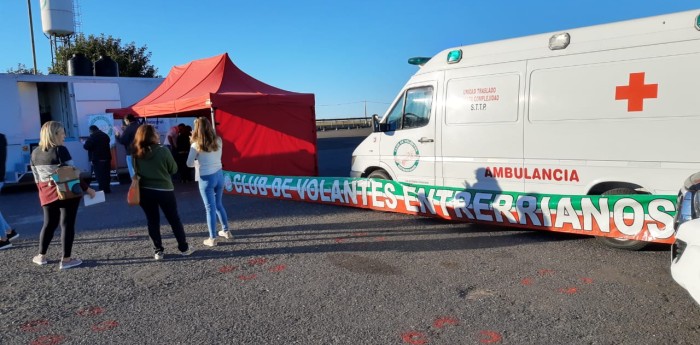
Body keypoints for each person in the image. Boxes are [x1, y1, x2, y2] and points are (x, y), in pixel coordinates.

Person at [30, 121, 96, 269]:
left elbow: (36, 178)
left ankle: (41, 256)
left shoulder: (35, 152)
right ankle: (66, 260)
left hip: (46, 193)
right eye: (62, 133)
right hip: (66, 192)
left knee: (48, 224)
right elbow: (73, 173)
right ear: (54, 135)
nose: (64, 135)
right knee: (67, 224)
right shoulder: (61, 150)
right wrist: (88, 189)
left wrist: (44, 192)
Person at [132, 124, 193, 260]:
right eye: (156, 132)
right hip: (164, 189)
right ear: (153, 135)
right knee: (174, 219)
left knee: (152, 221)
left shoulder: (136, 152)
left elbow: (135, 172)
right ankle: (184, 248)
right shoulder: (162, 150)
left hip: (145, 190)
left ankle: (158, 251)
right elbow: (173, 169)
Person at [186, 118, 231, 246]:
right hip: (219, 174)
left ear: (197, 129)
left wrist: (199, 162)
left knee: (209, 208)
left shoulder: (195, 145)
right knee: (219, 205)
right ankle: (226, 231)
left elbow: (189, 163)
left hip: (206, 178)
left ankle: (212, 238)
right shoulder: (219, 140)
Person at [83, 125, 112, 193]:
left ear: (91, 131)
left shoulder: (92, 137)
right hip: (107, 158)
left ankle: (102, 189)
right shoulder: (105, 135)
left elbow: (86, 146)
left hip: (97, 159)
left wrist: (85, 142)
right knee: (107, 174)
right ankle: (107, 188)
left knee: (99, 175)